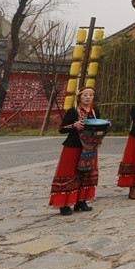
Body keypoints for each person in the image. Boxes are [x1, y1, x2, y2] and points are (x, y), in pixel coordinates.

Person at [50, 86, 102, 215]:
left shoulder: (95, 111)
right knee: (69, 173)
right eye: (85, 95)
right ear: (79, 97)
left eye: (90, 95)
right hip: (73, 146)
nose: (88, 97)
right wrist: (74, 125)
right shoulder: (73, 111)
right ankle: (64, 204)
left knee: (86, 173)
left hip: (89, 147)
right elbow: (62, 129)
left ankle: (81, 201)